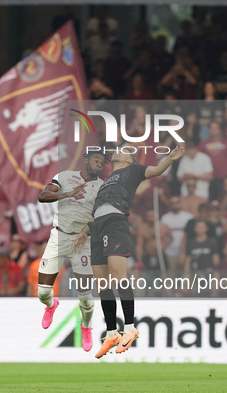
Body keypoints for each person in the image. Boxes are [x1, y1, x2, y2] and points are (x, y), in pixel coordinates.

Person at [74, 146, 185, 358]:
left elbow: (155, 171)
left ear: (129, 160)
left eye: (122, 151)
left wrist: (170, 158)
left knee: (118, 276)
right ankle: (111, 332)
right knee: (102, 284)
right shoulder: (106, 181)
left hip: (116, 222)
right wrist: (84, 231)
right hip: (98, 226)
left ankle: (130, 327)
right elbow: (99, 210)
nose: (116, 152)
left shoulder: (133, 170)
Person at [36, 150, 107, 352]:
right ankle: (51, 305)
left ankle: (86, 327)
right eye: (96, 160)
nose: (99, 164)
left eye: (102, 163)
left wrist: (86, 231)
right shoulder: (64, 177)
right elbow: (43, 196)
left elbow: (101, 215)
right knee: (42, 292)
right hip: (59, 236)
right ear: (86, 159)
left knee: (84, 293)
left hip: (82, 240)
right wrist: (68, 193)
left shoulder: (101, 187)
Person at [161, 196, 194, 275]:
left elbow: (191, 236)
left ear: (180, 203)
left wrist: (185, 252)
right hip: (170, 253)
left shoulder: (188, 217)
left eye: (176, 202)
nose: (174, 205)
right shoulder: (165, 218)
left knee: (186, 277)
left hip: (187, 254)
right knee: (171, 277)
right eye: (172, 203)